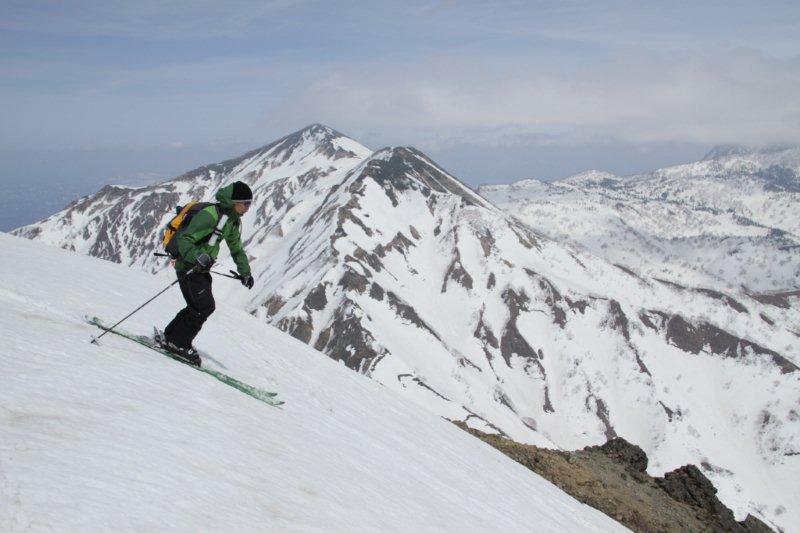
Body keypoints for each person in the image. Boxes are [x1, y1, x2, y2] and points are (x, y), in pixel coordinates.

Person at [159, 181, 255, 366]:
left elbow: (236, 248)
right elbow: (185, 240)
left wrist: (245, 272)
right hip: (188, 265)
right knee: (204, 307)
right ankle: (178, 343)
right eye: (245, 203)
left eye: (249, 203)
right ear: (233, 202)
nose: (248, 207)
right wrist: (197, 256)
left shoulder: (232, 220)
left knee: (197, 306)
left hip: (200, 267)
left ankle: (171, 337)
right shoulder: (209, 215)